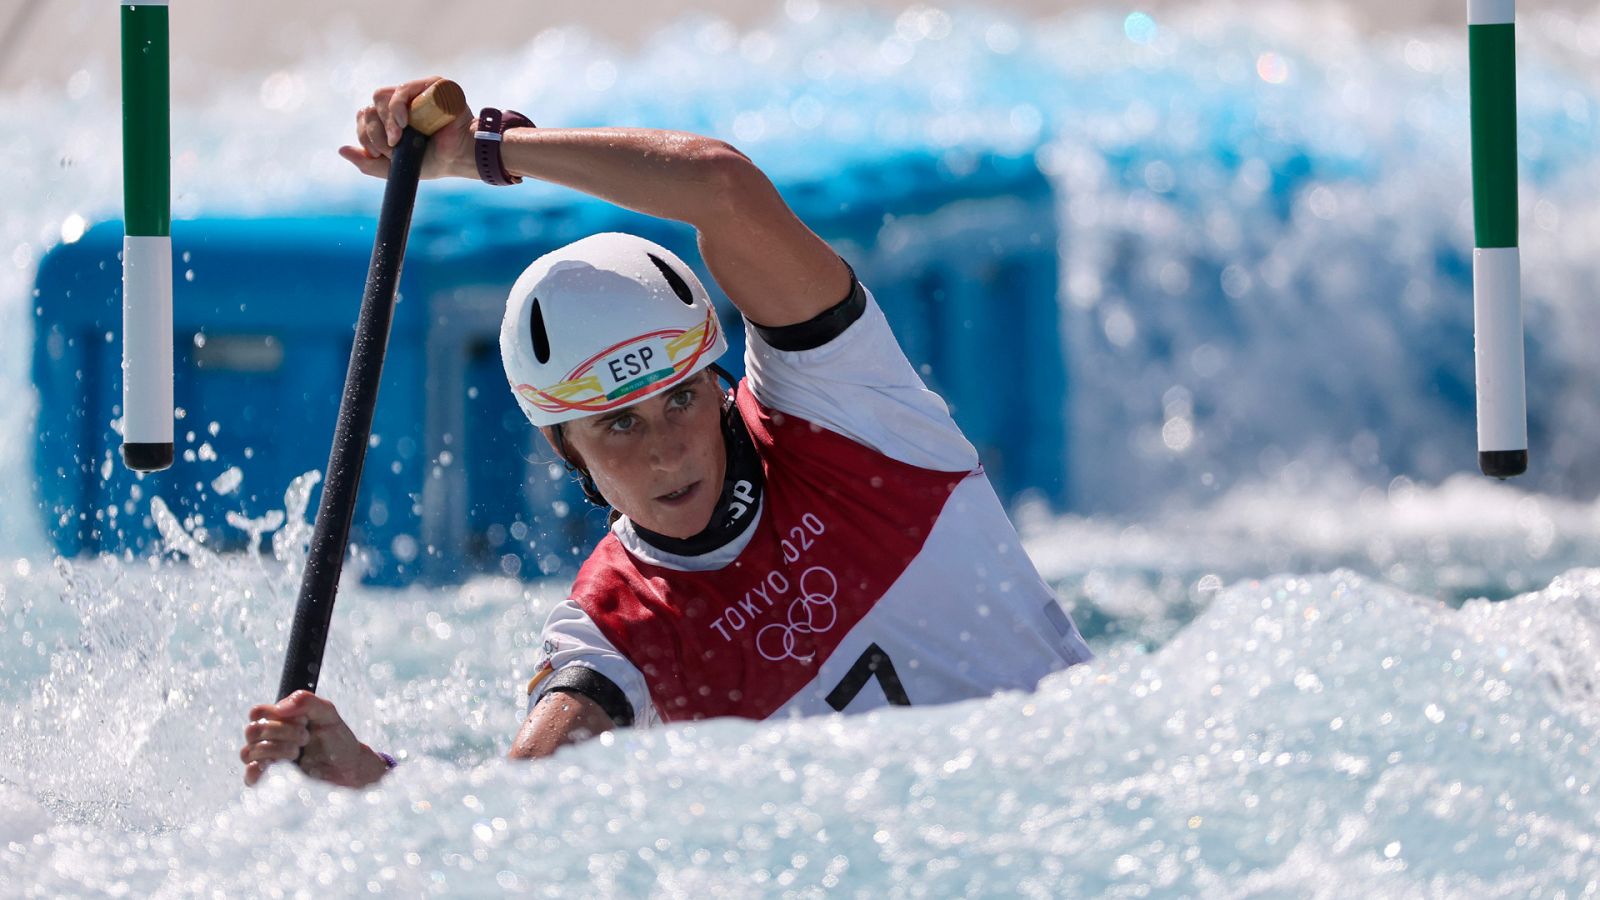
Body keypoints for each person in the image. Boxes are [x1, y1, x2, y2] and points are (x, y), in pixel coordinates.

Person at [240, 76, 1092, 788]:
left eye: (681, 400)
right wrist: (361, 771)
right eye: (617, 425)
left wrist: (486, 151)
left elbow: (721, 186)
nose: (666, 449)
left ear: (720, 384)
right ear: (561, 447)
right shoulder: (616, 629)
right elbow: (508, 825)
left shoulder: (848, 411)